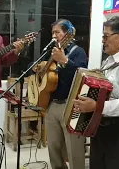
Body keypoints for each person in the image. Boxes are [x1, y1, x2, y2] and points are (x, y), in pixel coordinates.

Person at [73, 16, 119, 169]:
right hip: (103, 127)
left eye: (106, 36)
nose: (103, 40)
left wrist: (96, 106)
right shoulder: (109, 60)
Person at [32, 19, 88, 169]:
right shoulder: (52, 52)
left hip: (71, 105)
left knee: (73, 149)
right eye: (52, 33)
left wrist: (64, 61)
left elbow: (82, 75)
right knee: (54, 147)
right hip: (52, 104)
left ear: (68, 33)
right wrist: (38, 69)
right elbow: (45, 74)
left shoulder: (78, 52)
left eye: (57, 32)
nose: (54, 36)